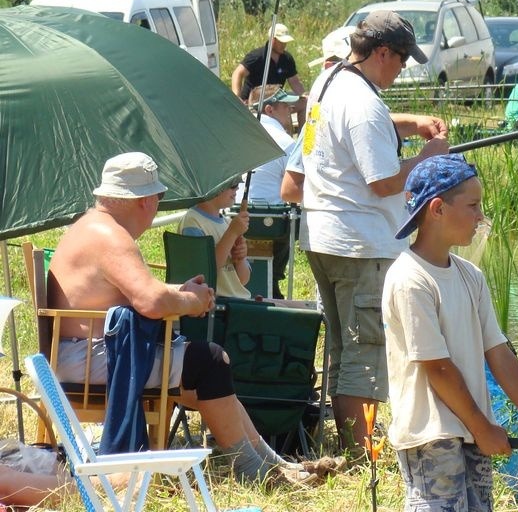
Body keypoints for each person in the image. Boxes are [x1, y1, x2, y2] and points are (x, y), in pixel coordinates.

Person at [47, 152, 336, 487]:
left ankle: (272, 464)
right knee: (210, 361)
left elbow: (138, 293)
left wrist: (180, 293)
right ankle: (256, 468)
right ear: (145, 201)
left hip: (81, 353)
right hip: (87, 359)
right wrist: (189, 299)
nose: (158, 205)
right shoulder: (111, 237)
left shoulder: (92, 227)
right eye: (158, 198)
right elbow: (150, 300)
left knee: (204, 369)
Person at [383, 154, 518, 511]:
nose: (481, 216)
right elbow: (436, 366)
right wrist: (482, 428)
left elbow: (498, 352)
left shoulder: (471, 276)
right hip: (431, 432)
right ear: (437, 209)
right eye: (473, 205)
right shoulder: (410, 279)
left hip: (472, 427)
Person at [301, 10, 450, 452]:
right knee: (366, 349)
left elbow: (352, 126)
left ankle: (347, 441)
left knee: (343, 346)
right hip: (361, 243)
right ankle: (358, 452)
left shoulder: (329, 81)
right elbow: (383, 181)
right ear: (382, 52)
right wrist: (431, 156)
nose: (403, 67)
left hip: (324, 236)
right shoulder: (364, 105)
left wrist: (410, 122)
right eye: (402, 58)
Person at [239, 84, 301, 298]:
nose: (290, 110)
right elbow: (296, 187)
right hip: (271, 223)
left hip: (234, 217)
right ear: (269, 110)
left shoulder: (238, 134)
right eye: (285, 105)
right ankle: (272, 286)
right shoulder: (285, 142)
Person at [180, 178, 251, 300]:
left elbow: (243, 280)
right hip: (218, 305)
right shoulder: (193, 221)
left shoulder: (227, 223)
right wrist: (232, 233)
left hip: (237, 300)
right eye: (232, 184)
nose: (237, 188)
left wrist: (240, 259)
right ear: (213, 184)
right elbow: (204, 273)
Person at [231, 23, 306, 108]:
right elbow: (237, 73)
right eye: (281, 42)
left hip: (276, 99)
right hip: (253, 101)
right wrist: (236, 97)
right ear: (272, 40)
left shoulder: (287, 59)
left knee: (304, 103)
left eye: (285, 42)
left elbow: (294, 82)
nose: (284, 45)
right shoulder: (256, 56)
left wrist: (304, 95)